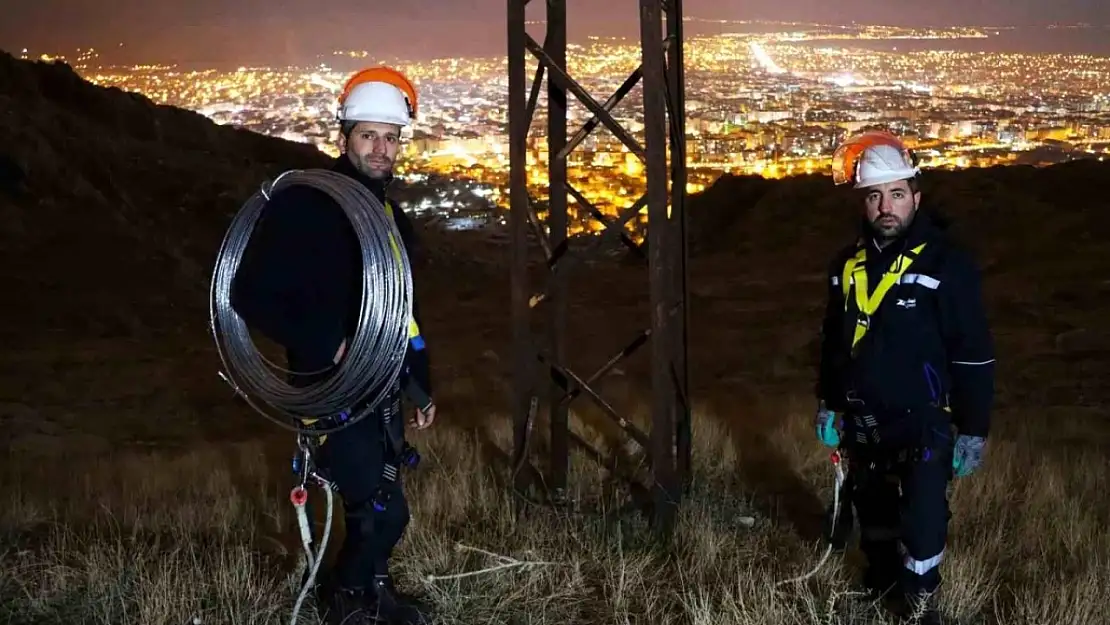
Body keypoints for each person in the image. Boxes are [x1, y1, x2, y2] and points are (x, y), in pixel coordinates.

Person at [230, 66, 436, 625]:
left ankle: (373, 594)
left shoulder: (392, 220)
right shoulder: (308, 206)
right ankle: (346, 604)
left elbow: (404, 314)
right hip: (331, 387)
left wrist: (420, 384)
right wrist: (332, 343)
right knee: (381, 511)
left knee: (381, 504)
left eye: (391, 137)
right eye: (369, 135)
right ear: (343, 138)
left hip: (385, 389)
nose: (381, 148)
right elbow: (250, 293)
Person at [814, 131, 995, 622]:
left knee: (922, 518)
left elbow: (973, 354)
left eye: (896, 194)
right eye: (874, 196)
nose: (885, 206)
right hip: (863, 415)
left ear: (916, 197)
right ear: (863, 203)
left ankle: (920, 605)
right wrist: (829, 402)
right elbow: (835, 341)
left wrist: (974, 428)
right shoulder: (847, 267)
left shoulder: (946, 265)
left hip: (923, 419)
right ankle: (881, 584)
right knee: (872, 511)